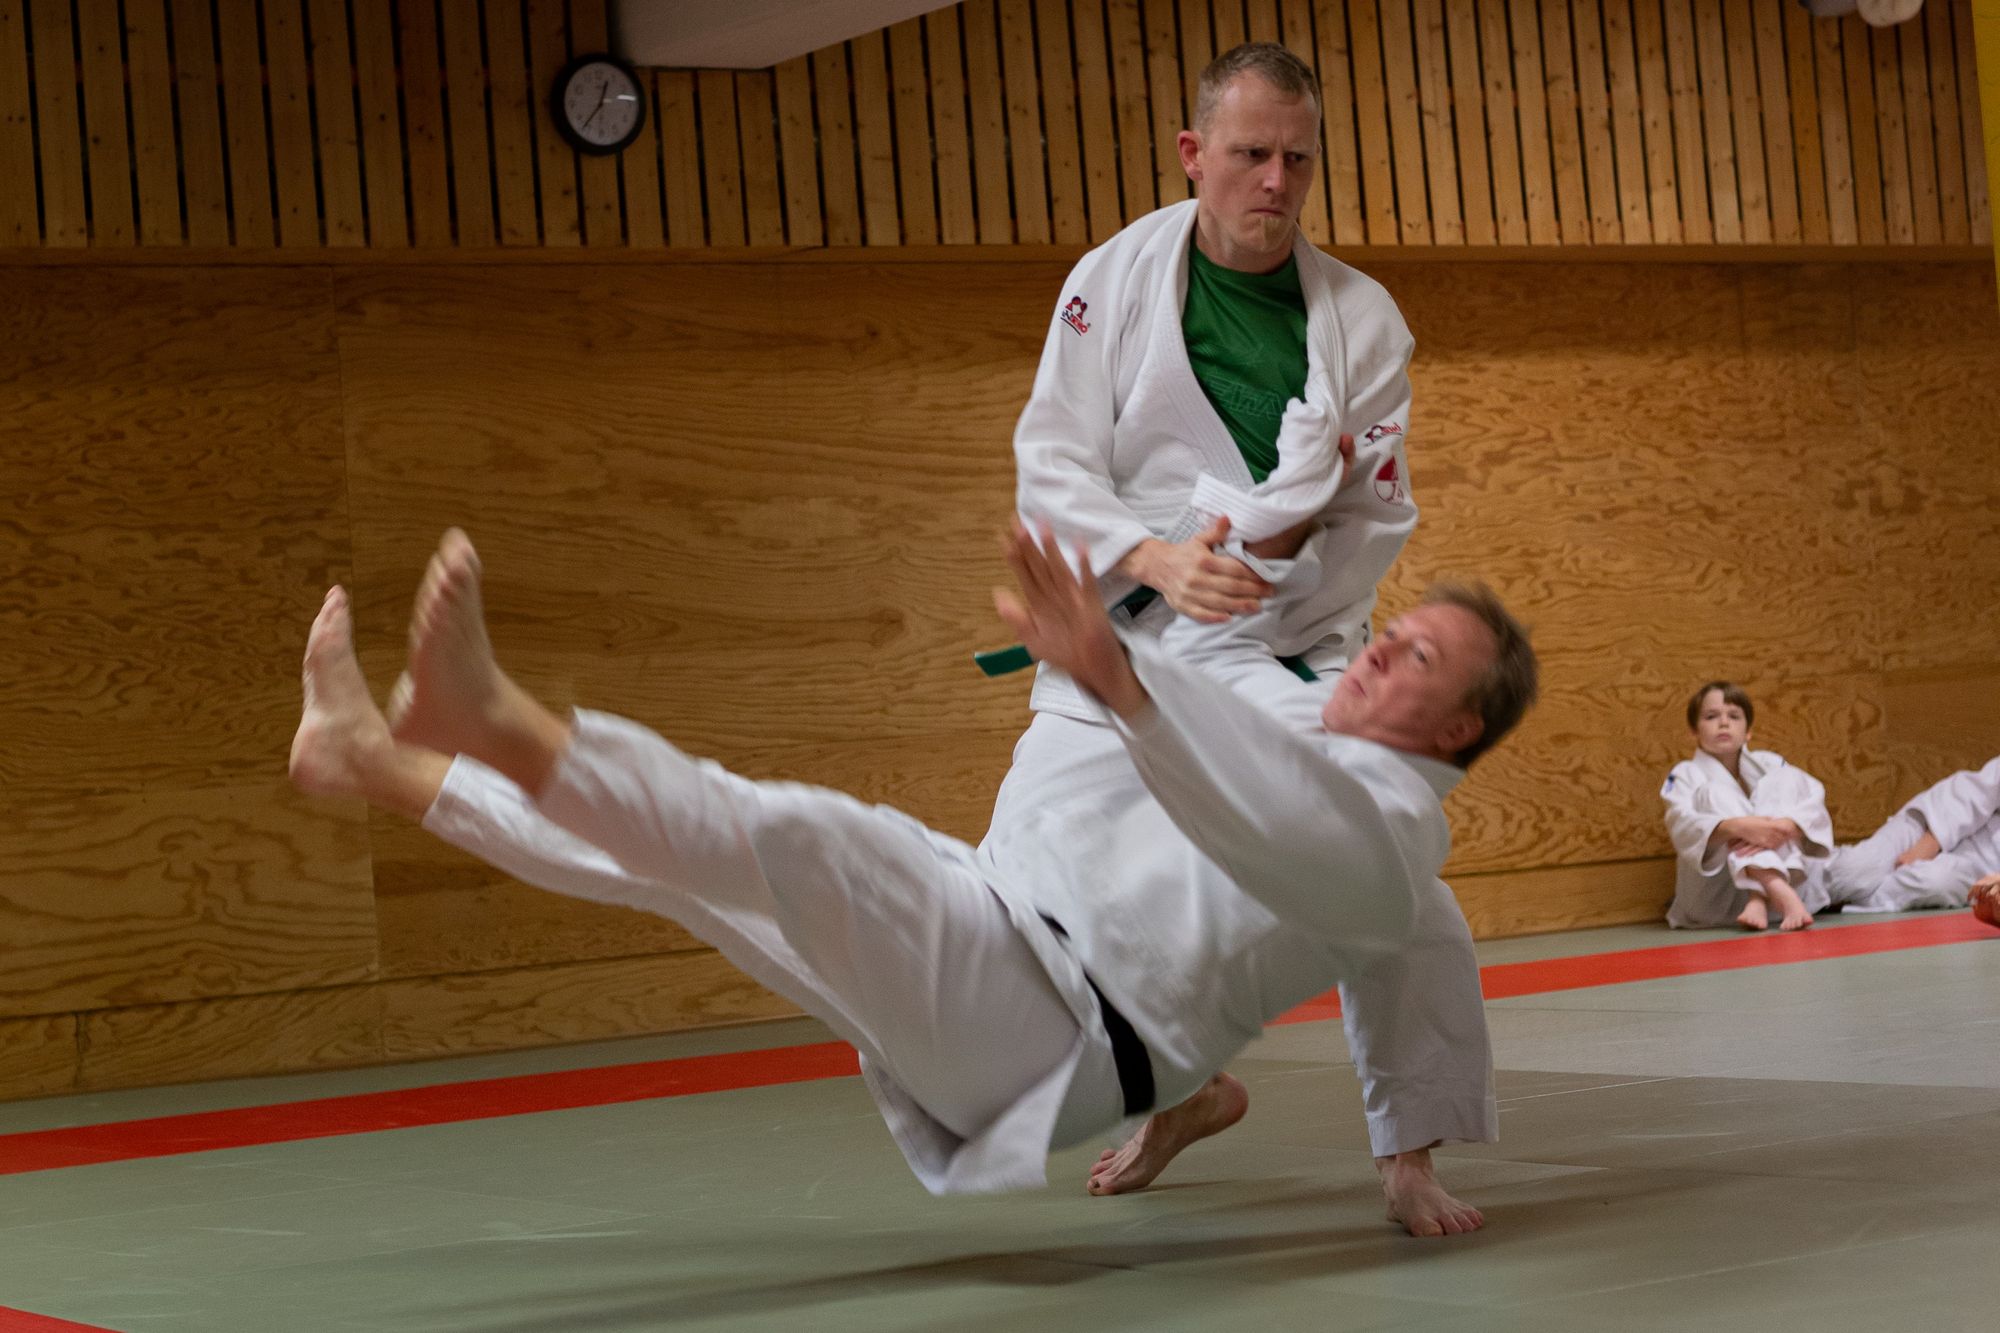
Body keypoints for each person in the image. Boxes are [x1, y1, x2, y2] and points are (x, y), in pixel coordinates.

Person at [289, 527, 1537, 1216]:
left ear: (1456, 729)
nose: (1381, 651)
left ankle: (495, 718)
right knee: (694, 872)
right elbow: (1208, 701)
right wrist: (1145, 598)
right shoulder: (1290, 709)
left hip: (1049, 1023)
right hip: (1017, 943)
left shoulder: (1393, 835)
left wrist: (1407, 1158)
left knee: (801, 838)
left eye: (1418, 659)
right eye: (1393, 632)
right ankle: (377, 763)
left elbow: (1327, 867)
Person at [991, 41, 1495, 1236]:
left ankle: (1407, 1153)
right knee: (1020, 873)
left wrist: (1270, 561)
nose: (1275, 180)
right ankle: (1179, 1089)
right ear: (1192, 153)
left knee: (1387, 872)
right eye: (1250, 153)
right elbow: (1051, 462)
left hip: (1282, 646)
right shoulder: (1111, 279)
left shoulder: (1360, 321)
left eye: (1296, 159)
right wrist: (1152, 557)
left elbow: (1377, 512)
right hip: (1124, 634)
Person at [1661, 682, 1832, 931]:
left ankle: (1758, 896)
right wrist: (1737, 827)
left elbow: (1813, 796)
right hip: (1718, 900)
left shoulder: (1771, 764)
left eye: (1734, 716)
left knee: (1787, 778)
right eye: (1711, 716)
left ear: (1748, 731)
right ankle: (1772, 884)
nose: (1723, 723)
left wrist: (1790, 824)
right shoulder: (1684, 774)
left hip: (1782, 894)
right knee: (1714, 792)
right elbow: (1682, 824)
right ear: (1694, 731)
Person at [1821, 756, 2000, 912]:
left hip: (1974, 872)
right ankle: (1808, 884)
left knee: (1935, 883)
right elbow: (1977, 792)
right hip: (1929, 826)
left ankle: (1837, 900)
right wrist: (1931, 842)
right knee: (1859, 867)